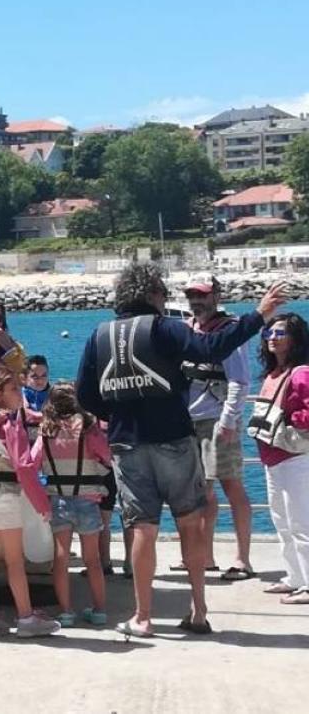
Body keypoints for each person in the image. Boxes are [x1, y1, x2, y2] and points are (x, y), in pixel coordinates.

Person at [75, 262, 285, 637]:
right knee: (189, 520)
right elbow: (212, 347)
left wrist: (117, 412)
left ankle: (142, 617)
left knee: (143, 528)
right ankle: (199, 610)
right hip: (173, 436)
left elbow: (85, 395)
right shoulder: (164, 327)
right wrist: (258, 315)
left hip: (127, 443)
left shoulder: (98, 335)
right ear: (154, 294)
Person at [0, 367, 59, 639]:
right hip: (3, 497)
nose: (20, 393)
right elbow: (25, 467)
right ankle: (27, 618)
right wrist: (42, 505)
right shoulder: (6, 425)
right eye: (14, 389)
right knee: (15, 562)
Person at [176, 274, 254, 581]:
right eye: (192, 295)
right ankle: (203, 557)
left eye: (202, 295)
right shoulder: (189, 329)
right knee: (201, 492)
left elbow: (240, 379)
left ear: (216, 296)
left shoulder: (229, 331)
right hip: (190, 421)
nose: (197, 300)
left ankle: (242, 559)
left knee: (231, 485)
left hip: (217, 419)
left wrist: (229, 420)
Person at [32, 383, 111, 628]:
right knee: (93, 560)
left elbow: (33, 462)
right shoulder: (88, 429)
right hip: (88, 499)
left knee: (61, 558)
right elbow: (107, 456)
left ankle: (66, 612)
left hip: (59, 499)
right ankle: (99, 610)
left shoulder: (45, 431)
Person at [246, 313, 309, 604]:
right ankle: (295, 576)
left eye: (280, 333)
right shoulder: (274, 373)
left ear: (295, 338)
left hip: (295, 456)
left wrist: (289, 418)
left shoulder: (300, 373)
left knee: (301, 522)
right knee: (281, 520)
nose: (272, 337)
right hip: (273, 456)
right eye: (269, 333)